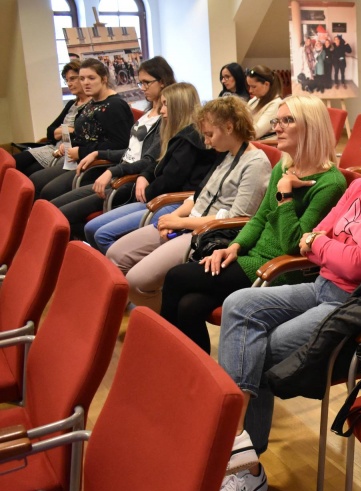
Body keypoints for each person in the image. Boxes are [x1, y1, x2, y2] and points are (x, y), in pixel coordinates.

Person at [206, 101, 361, 491]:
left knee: (261, 349)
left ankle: (243, 465)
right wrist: (327, 245)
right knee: (240, 304)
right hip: (325, 287)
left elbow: (355, 262)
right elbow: (319, 235)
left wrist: (322, 245)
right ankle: (238, 445)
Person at [160, 95, 347, 353]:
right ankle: (193, 372)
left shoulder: (330, 183)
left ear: (310, 126)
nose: (277, 128)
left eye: (287, 120)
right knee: (189, 306)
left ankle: (162, 357)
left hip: (279, 269)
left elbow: (294, 244)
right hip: (252, 258)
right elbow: (259, 218)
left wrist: (285, 195)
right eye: (276, 121)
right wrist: (233, 247)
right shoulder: (284, 167)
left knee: (175, 277)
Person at [106, 96, 270, 311]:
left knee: (137, 281)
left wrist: (179, 223)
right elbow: (199, 196)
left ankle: (162, 323)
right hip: (189, 223)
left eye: (210, 134)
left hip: (207, 233)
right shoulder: (226, 154)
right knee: (115, 255)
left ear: (229, 127)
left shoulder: (256, 163)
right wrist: (174, 218)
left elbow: (238, 218)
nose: (206, 142)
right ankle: (150, 314)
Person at [50, 56, 176, 239]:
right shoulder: (149, 111)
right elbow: (130, 151)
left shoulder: (165, 119)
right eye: (141, 83)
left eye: (146, 83)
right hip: (119, 172)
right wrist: (97, 153)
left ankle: (80, 250)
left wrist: (112, 170)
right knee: (53, 208)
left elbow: (148, 160)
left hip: (128, 180)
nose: (142, 88)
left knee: (63, 215)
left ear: (162, 81)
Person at [83, 83, 216, 253]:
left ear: (178, 107)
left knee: (102, 235)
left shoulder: (191, 139)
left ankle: (122, 267)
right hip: (157, 197)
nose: (161, 110)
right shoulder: (176, 132)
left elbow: (171, 180)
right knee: (90, 228)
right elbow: (157, 162)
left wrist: (147, 191)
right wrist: (144, 175)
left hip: (172, 201)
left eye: (165, 104)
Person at [29, 58, 134, 200]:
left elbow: (121, 145)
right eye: (82, 78)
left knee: (48, 191)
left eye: (91, 78)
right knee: (35, 179)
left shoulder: (115, 106)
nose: (85, 83)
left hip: (98, 166)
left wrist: (81, 151)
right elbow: (84, 134)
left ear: (104, 79)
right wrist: (70, 143)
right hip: (79, 160)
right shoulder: (93, 102)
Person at [13, 60, 91, 176]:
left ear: (83, 78)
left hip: (66, 153)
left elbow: (80, 134)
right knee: (14, 161)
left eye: (72, 79)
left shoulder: (91, 106)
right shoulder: (71, 104)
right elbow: (50, 131)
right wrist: (66, 130)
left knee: (27, 173)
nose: (69, 84)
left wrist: (64, 131)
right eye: (67, 80)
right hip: (53, 147)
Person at [244, 66, 283, 139]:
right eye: (249, 86)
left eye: (254, 87)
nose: (250, 91)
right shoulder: (254, 100)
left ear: (266, 84)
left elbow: (256, 132)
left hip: (264, 144)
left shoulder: (276, 104)